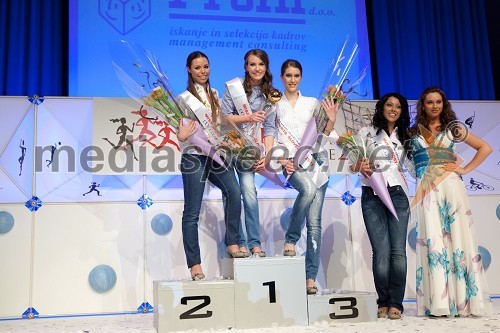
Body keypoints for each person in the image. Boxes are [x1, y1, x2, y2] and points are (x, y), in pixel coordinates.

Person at [410, 86, 492, 317]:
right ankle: (439, 303)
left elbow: (485, 148)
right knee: (433, 240)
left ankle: (464, 302)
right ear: (423, 105)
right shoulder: (413, 131)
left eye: (438, 102)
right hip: (427, 189)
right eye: (429, 102)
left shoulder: (453, 128)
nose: (434, 106)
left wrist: (464, 169)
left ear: (444, 104)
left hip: (451, 186)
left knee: (458, 238)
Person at [264, 59, 339, 294]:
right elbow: (271, 135)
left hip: (316, 162)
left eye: (296, 75)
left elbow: (325, 135)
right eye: (288, 75)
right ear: (281, 77)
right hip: (291, 163)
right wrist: (280, 158)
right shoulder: (274, 105)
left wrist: (332, 120)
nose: (292, 80)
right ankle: (291, 238)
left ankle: (310, 278)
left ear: (302, 77)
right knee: (306, 190)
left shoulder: (312, 103)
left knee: (315, 224)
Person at [177, 51, 244, 281]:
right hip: (193, 156)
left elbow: (217, 125)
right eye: (197, 68)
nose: (203, 71)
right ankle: (195, 265)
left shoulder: (214, 94)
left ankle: (232, 242)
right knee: (192, 212)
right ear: (188, 70)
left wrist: (228, 139)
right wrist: (182, 134)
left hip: (215, 154)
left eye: (206, 66)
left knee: (234, 192)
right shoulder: (183, 98)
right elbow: (181, 132)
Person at [349, 93, 412, 319]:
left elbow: (414, 169)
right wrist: (360, 164)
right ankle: (383, 300)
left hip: (398, 195)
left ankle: (396, 302)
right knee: (381, 252)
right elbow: (352, 166)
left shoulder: (407, 137)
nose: (393, 109)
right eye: (389, 105)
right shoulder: (366, 133)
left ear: (402, 111)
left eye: (398, 106)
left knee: (398, 253)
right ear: (381, 107)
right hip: (372, 194)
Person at [220, 49, 276, 257]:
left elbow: (270, 127)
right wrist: (249, 117)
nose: (257, 68)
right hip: (229, 147)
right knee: (232, 195)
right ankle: (238, 242)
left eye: (260, 64)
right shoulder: (233, 88)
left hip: (249, 151)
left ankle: (255, 243)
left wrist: (267, 156)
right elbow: (223, 118)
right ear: (246, 67)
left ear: (266, 67)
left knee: (249, 193)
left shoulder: (271, 95)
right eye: (252, 64)